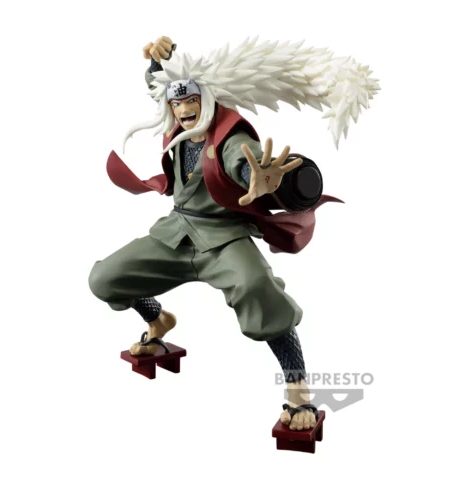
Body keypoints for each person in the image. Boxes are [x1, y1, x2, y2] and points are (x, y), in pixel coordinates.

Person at [89, 36, 379, 430]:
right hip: (176, 233)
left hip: (223, 239)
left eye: (191, 101)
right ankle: (158, 321)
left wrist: (258, 178)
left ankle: (298, 387)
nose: (184, 110)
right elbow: (158, 85)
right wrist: (159, 62)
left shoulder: (230, 135)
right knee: (106, 278)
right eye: (177, 103)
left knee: (259, 289)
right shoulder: (175, 124)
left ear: (207, 100)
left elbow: (245, 160)